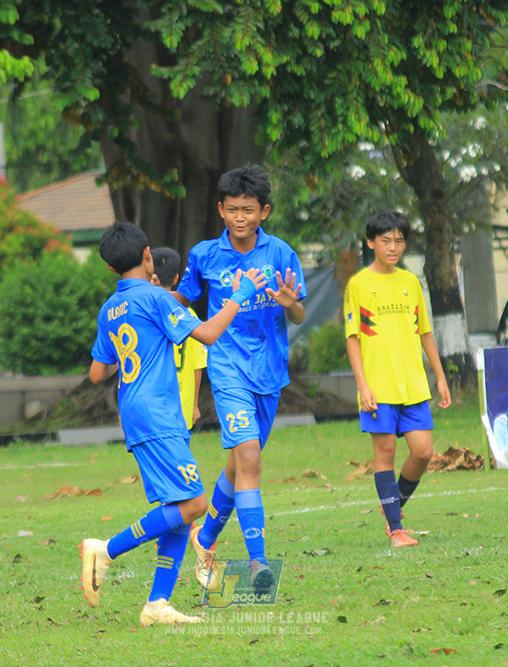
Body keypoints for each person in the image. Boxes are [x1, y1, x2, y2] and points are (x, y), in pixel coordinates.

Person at [81, 222, 266, 626]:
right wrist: (240, 295)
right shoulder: (156, 297)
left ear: (111, 269)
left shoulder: (109, 308)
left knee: (180, 507)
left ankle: (157, 603)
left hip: (137, 411)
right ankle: (105, 549)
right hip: (158, 413)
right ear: (148, 255)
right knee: (195, 503)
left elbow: (97, 372)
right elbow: (209, 334)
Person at [176, 164, 307, 595]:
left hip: (269, 372)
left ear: (264, 211)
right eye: (232, 209)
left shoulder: (281, 254)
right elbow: (183, 299)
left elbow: (299, 314)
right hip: (227, 368)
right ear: (220, 209)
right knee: (249, 457)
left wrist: (290, 304)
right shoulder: (204, 255)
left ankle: (205, 536)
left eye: (248, 210)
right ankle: (258, 563)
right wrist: (147, 294)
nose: (239, 218)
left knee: (238, 465)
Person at [343, 210, 451, 548]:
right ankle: (395, 530)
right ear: (370, 242)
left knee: (423, 452)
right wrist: (363, 385)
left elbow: (425, 332)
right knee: (386, 452)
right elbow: (353, 338)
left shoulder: (410, 282)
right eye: (386, 240)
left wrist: (440, 377)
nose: (393, 247)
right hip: (379, 386)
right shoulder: (359, 285)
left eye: (399, 241)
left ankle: (392, 503)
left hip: (413, 385)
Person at [151, 247, 207, 430]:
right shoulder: (188, 315)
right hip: (182, 402)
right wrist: (194, 404)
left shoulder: (144, 312)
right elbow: (197, 365)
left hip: (151, 403)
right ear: (176, 278)